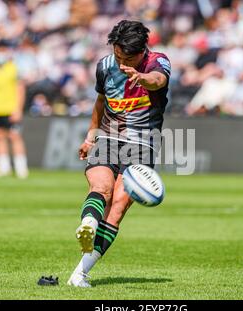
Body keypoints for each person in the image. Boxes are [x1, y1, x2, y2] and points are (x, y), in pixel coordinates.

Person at [67, 20, 171, 288]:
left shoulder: (157, 62)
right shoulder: (104, 66)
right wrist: (91, 134)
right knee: (101, 187)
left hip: (142, 144)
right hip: (109, 138)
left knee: (119, 206)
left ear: (142, 52)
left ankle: (79, 274)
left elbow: (159, 80)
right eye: (117, 54)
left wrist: (142, 78)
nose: (121, 62)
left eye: (127, 58)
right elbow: (100, 101)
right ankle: (88, 223)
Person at [0, 40, 29, 179]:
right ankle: (4, 168)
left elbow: (20, 89)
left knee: (15, 136)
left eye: (3, 50)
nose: (0, 54)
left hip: (10, 108)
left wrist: (18, 109)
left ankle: (21, 169)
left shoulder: (14, 68)